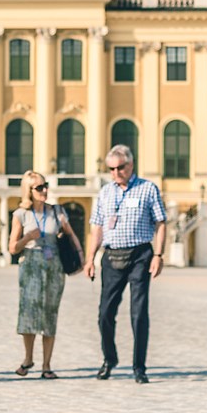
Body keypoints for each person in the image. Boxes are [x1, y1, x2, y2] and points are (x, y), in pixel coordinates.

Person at [84, 144, 167, 383]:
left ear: (131, 165)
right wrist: (91, 258)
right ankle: (109, 359)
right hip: (111, 257)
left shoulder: (147, 189)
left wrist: (158, 255)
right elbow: (97, 227)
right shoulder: (105, 193)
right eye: (111, 169)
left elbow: (161, 222)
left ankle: (139, 367)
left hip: (140, 255)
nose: (116, 172)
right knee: (104, 314)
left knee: (138, 313)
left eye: (120, 167)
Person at [11, 170, 82, 379]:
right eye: (39, 187)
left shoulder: (57, 211)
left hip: (53, 267)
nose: (45, 190)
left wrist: (82, 258)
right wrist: (27, 238)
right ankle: (28, 358)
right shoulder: (20, 215)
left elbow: (71, 235)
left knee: (50, 313)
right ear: (29, 191)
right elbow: (12, 248)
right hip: (30, 266)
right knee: (29, 313)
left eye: (45, 186)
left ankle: (47, 365)